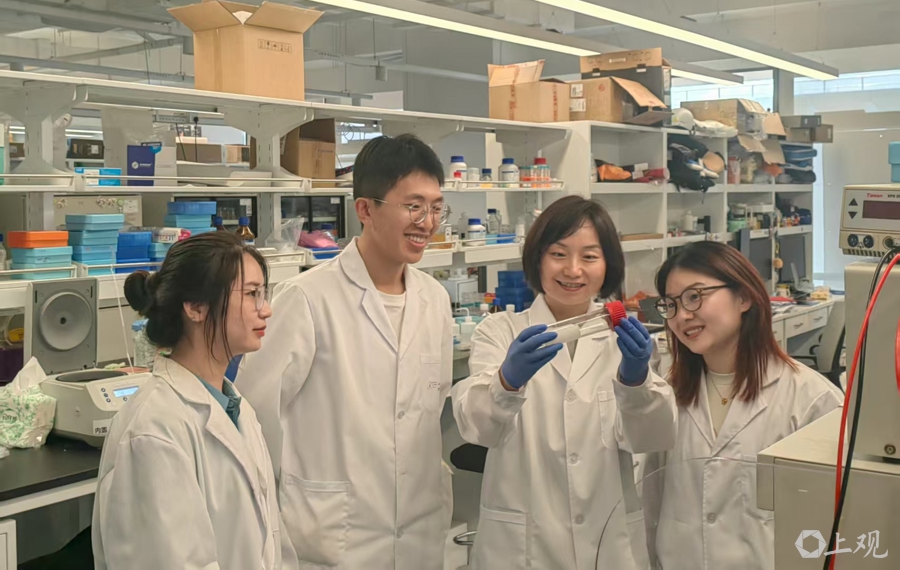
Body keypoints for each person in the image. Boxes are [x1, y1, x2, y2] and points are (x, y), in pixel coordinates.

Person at [236, 134, 454, 570]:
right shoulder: (308, 298)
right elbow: (254, 418)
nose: (427, 222)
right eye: (413, 206)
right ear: (365, 210)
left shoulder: (435, 300)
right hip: (332, 539)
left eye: (435, 208)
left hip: (420, 531)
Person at [452, 195, 677, 570]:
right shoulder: (500, 332)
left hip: (607, 539)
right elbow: (478, 428)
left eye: (589, 256)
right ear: (537, 259)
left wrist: (636, 383)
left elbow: (649, 439)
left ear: (607, 264)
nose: (573, 270)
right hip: (524, 545)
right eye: (558, 254)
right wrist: (506, 382)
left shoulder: (622, 338)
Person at [92, 232, 296, 570]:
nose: (267, 309)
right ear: (195, 307)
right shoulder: (154, 429)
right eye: (251, 294)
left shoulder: (236, 408)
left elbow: (267, 541)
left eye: (263, 293)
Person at [649, 241, 843, 570]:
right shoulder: (667, 395)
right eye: (671, 304)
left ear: (744, 297)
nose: (682, 315)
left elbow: (836, 517)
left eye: (695, 296)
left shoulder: (812, 399)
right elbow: (652, 499)